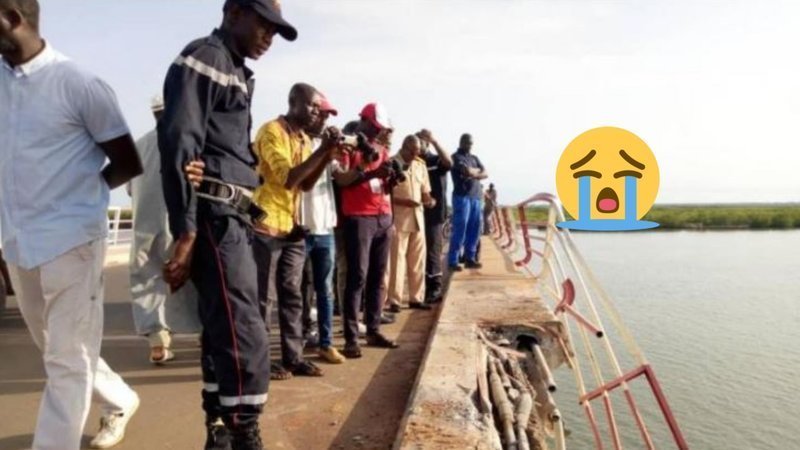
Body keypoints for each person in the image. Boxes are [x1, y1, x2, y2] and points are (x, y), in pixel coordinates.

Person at [0, 1, 144, 448]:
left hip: (72, 239)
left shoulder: (78, 84)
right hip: (17, 240)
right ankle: (120, 399)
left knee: (67, 359)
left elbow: (127, 161)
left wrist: (80, 193)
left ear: (11, 18)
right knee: (57, 348)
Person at [157, 1, 297, 448]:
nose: (269, 38)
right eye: (264, 25)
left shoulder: (233, 68)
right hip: (216, 220)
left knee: (225, 329)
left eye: (276, 32)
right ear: (234, 11)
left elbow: (218, 149)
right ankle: (243, 432)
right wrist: (186, 232)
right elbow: (180, 143)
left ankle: (220, 431)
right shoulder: (208, 58)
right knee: (243, 329)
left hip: (231, 216)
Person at [252, 83, 341, 380]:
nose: (317, 111)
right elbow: (288, 178)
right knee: (264, 299)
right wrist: (323, 151)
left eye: (318, 107)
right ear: (293, 103)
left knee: (292, 295)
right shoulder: (271, 131)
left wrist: (326, 154)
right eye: (312, 106)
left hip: (291, 227)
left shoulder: (303, 139)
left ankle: (293, 357)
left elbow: (306, 184)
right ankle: (261, 362)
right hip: (265, 226)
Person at [129, 96, 201, 365]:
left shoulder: (138, 146)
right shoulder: (191, 142)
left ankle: (157, 342)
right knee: (193, 277)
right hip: (183, 224)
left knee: (147, 280)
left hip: (146, 226)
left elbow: (130, 188)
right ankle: (204, 332)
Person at [333, 103, 400, 358]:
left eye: (380, 128)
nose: (377, 132)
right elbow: (342, 179)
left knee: (377, 277)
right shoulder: (348, 147)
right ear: (364, 121)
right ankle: (351, 338)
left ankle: (373, 329)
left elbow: (384, 182)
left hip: (383, 215)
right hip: (359, 216)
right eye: (375, 126)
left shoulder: (382, 149)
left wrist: (389, 176)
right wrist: (368, 171)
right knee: (357, 277)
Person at [299, 93, 347, 364]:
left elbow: (342, 177)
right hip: (300, 225)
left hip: (325, 226)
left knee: (324, 290)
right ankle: (298, 341)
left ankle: (326, 344)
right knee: (298, 289)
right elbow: (302, 181)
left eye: (328, 116)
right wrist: (325, 154)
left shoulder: (326, 146)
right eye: (322, 114)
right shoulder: (297, 141)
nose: (325, 120)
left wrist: (363, 166)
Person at [386, 135, 436, 312]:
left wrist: (430, 201)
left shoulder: (420, 165)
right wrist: (404, 202)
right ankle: (395, 300)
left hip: (418, 218)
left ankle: (416, 298)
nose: (416, 155)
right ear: (404, 147)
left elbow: (426, 192)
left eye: (418, 152)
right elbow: (385, 194)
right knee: (396, 261)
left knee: (418, 261)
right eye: (413, 152)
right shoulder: (391, 163)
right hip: (399, 219)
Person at [418, 129, 452, 303]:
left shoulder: (434, 161)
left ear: (427, 144)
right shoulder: (414, 163)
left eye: (421, 142)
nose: (417, 145)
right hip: (416, 212)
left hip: (434, 213)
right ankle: (423, 288)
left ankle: (435, 287)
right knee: (419, 253)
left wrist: (434, 140)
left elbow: (449, 163)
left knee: (433, 250)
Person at [448, 133, 488, 271]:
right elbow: (466, 171)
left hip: (476, 197)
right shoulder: (455, 157)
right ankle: (453, 260)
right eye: (467, 143)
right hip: (462, 196)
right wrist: (477, 172)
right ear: (461, 142)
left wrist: (474, 173)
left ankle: (470, 258)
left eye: (471, 143)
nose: (469, 145)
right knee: (460, 228)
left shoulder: (474, 158)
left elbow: (486, 173)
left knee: (474, 229)